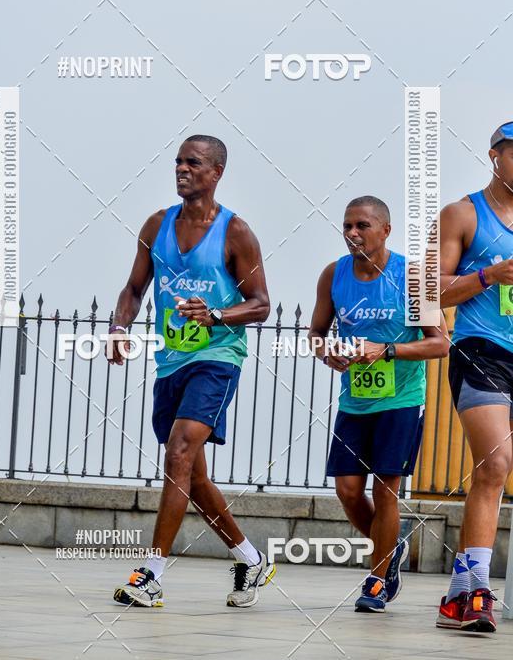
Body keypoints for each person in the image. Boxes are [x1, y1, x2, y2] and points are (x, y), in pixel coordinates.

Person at [108, 135, 275, 608]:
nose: (182, 169)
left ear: (216, 172)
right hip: (171, 363)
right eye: (178, 161)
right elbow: (134, 288)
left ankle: (151, 573)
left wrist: (218, 315)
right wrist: (120, 326)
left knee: (179, 452)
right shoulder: (156, 225)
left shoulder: (236, 232)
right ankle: (250, 558)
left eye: (193, 162)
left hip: (218, 360)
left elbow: (262, 305)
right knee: (194, 478)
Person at [308, 196, 448, 613]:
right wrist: (327, 351)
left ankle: (376, 578)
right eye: (348, 226)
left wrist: (386, 350)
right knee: (348, 490)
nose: (353, 233)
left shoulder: (410, 276)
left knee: (385, 490)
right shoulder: (334, 275)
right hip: (355, 400)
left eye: (362, 226)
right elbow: (315, 333)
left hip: (402, 399)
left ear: (385, 230)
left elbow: (440, 343)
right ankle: (390, 550)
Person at [436, 121, 513, 633]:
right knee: (495, 463)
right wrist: (490, 274)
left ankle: (457, 594)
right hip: (480, 347)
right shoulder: (464, 213)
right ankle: (479, 593)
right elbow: (433, 292)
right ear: (495, 156)